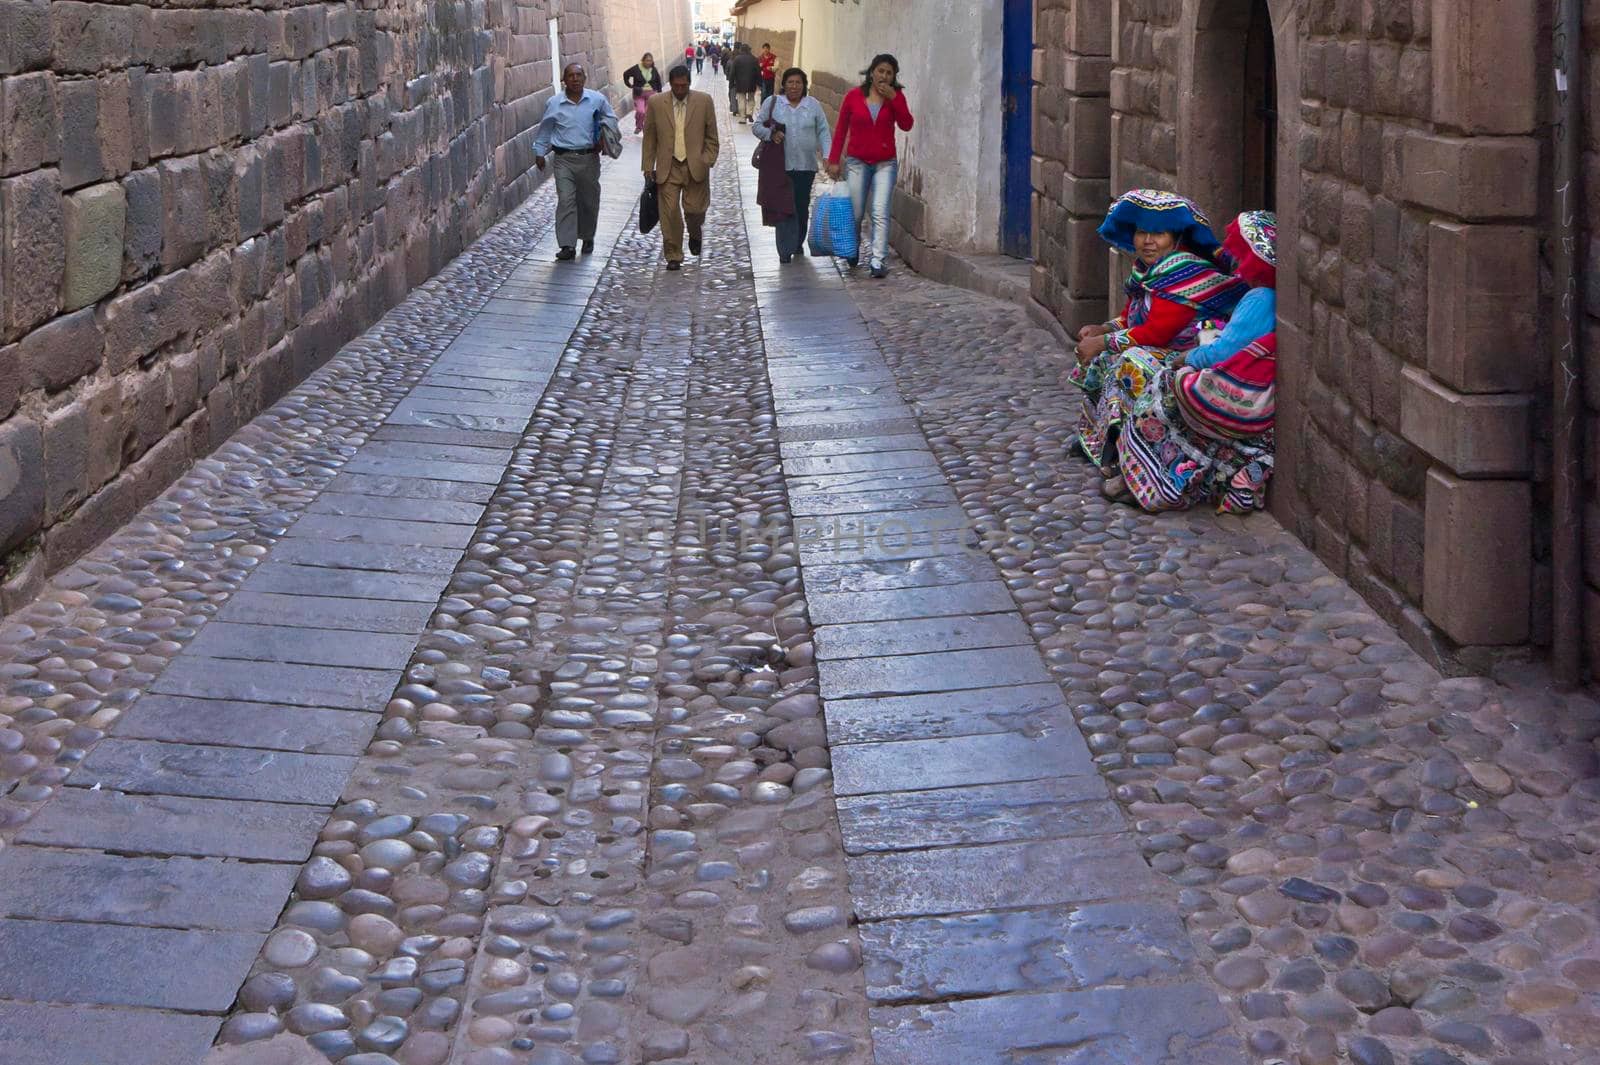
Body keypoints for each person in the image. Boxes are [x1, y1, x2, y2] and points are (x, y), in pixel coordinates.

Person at [1067, 189, 1249, 469]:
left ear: (1175, 239)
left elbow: (1157, 333)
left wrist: (1103, 342)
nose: (1148, 241)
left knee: (1132, 364)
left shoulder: (1183, 275)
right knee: (1104, 360)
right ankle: (1099, 437)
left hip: (1190, 357)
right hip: (1164, 349)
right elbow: (1129, 318)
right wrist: (1102, 329)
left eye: (1159, 234)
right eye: (1141, 233)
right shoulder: (1147, 272)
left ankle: (1130, 450)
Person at [1109, 211, 1278, 512]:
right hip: (1248, 383)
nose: (1235, 262)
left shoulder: (1259, 298)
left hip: (1238, 388)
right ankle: (1139, 469)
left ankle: (1148, 479)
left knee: (1161, 386)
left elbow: (1220, 353)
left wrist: (1187, 359)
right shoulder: (1262, 296)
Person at [826, 53, 914, 278]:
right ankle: (851, 249)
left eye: (889, 73)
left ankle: (878, 259)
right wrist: (834, 160)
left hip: (885, 163)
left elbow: (906, 124)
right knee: (855, 212)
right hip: (857, 161)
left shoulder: (897, 97)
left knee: (880, 211)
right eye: (880, 71)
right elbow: (841, 129)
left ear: (893, 77)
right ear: (872, 72)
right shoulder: (854, 96)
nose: (884, 76)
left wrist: (894, 99)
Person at [533, 63, 618, 262]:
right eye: (571, 75)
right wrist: (539, 152)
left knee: (588, 201)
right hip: (563, 160)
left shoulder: (596, 99)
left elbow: (611, 118)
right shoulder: (554, 103)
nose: (575, 79)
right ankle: (567, 245)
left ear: (584, 78)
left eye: (579, 75)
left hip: (589, 158)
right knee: (566, 200)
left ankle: (587, 236)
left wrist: (604, 133)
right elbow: (545, 129)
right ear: (564, 80)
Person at [643, 65, 719, 271]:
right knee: (670, 213)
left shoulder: (704, 101)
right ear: (670, 84)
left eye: (683, 85)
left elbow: (712, 136)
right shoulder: (656, 102)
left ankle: (695, 233)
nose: (679, 90)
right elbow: (649, 136)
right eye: (676, 86)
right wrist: (648, 165)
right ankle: (673, 254)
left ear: (689, 83)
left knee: (695, 210)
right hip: (668, 167)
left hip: (695, 165)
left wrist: (707, 159)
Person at [753, 68, 831, 263]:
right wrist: (771, 134)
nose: (794, 86)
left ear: (804, 85)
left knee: (801, 206)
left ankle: (797, 242)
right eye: (790, 82)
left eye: (798, 82)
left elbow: (823, 131)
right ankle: (784, 250)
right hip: (780, 166)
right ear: (784, 84)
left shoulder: (812, 105)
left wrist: (828, 155)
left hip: (806, 166)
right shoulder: (773, 103)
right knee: (784, 207)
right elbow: (757, 126)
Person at [623, 53, 663, 134]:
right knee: (641, 111)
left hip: (651, 93)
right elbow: (626, 74)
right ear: (643, 60)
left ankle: (646, 130)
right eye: (647, 60)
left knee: (648, 114)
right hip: (639, 94)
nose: (649, 62)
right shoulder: (636, 68)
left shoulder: (654, 69)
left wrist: (660, 93)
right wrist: (629, 85)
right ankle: (639, 126)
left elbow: (658, 81)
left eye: (651, 61)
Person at [729, 43, 761, 121]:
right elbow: (758, 72)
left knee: (741, 100)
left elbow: (732, 72)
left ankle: (742, 118)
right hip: (751, 83)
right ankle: (749, 113)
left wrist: (731, 83)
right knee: (751, 98)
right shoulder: (754, 59)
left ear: (741, 50)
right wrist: (759, 83)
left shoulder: (737, 59)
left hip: (739, 83)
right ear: (749, 50)